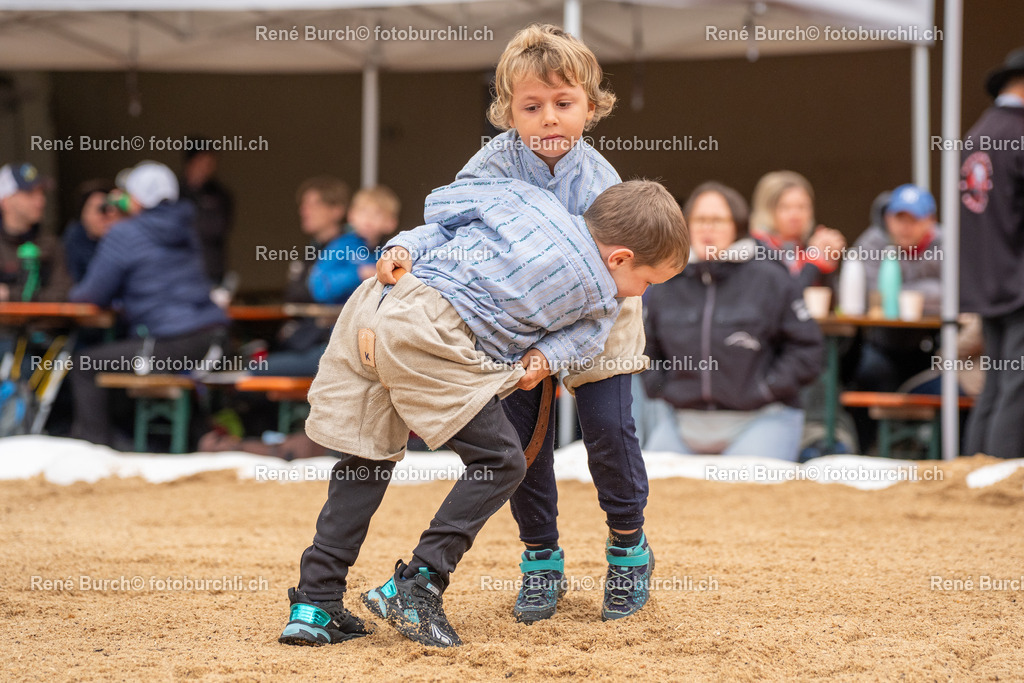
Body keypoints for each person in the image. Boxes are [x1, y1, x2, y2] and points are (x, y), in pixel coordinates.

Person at [279, 177, 688, 649]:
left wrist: (403, 245)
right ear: (619, 259)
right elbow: (590, 336)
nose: (639, 294)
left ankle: (315, 603)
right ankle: (418, 584)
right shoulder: (602, 292)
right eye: (647, 281)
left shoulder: (524, 197)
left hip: (375, 302)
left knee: (366, 458)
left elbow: (442, 210)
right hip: (429, 333)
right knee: (501, 461)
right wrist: (547, 359)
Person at [391, 22, 657, 625]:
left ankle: (627, 546)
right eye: (531, 106)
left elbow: (615, 281)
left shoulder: (601, 183)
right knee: (522, 444)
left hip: (601, 310)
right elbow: (449, 219)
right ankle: (541, 559)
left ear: (591, 107)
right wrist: (408, 248)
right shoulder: (492, 165)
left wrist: (562, 354)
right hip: (517, 315)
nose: (549, 119)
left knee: (609, 432)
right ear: (507, 112)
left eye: (564, 104)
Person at [642, 182, 823, 459]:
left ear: (737, 225)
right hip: (682, 423)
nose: (707, 228)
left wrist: (766, 388)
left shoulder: (770, 277)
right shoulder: (665, 281)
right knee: (650, 494)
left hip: (762, 419)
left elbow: (807, 349)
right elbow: (644, 348)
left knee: (745, 493)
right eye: (699, 220)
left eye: (717, 220)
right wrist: (660, 388)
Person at [68, 161, 228, 448]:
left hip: (174, 341)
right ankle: (192, 439)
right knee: (128, 355)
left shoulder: (124, 233)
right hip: (214, 336)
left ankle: (95, 450)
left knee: (85, 364)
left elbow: (90, 295)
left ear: (136, 199)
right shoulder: (185, 226)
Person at [960, 47, 1024, 458]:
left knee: (998, 383)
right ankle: (1002, 478)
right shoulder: (1019, 134)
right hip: (1019, 279)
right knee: (1016, 388)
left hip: (986, 281)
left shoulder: (977, 134)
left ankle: (974, 473)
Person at [849, 183, 943, 452]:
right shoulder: (873, 241)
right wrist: (929, 292)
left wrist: (900, 294)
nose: (905, 227)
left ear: (930, 220)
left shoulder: (944, 242)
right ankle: (867, 451)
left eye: (914, 219)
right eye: (899, 218)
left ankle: (936, 453)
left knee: (952, 382)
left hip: (932, 347)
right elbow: (864, 290)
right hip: (883, 345)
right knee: (867, 372)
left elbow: (957, 291)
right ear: (888, 218)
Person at [750, 170, 846, 290]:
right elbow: (791, 298)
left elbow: (826, 301)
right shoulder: (754, 249)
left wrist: (827, 260)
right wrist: (814, 259)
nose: (795, 215)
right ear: (767, 210)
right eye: (785, 207)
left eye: (802, 207)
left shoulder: (804, 247)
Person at [0, 161, 70, 303]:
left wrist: (9, 294)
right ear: (5, 201)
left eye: (41, 193)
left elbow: (64, 294)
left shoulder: (50, 244)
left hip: (44, 325)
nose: (41, 201)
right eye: (29, 193)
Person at [179, 138, 233, 286]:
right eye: (203, 161)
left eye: (211, 163)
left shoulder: (220, 195)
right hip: (179, 270)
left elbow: (219, 228)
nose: (208, 168)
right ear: (191, 162)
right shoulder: (174, 193)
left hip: (210, 271)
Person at [62, 180, 122, 284]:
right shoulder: (73, 240)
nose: (106, 216)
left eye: (109, 209)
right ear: (83, 214)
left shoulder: (123, 237)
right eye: (100, 210)